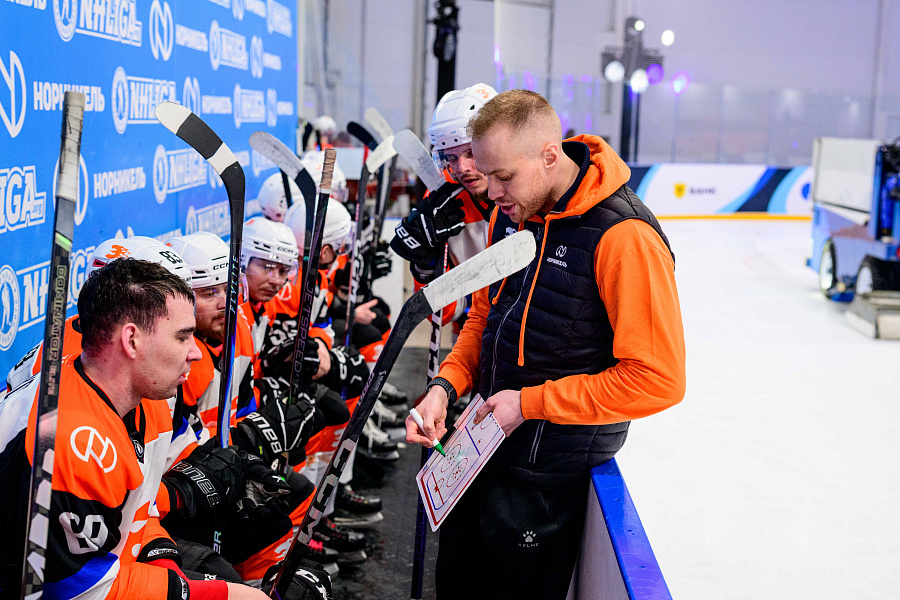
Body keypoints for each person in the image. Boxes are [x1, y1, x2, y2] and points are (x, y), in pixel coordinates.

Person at [406, 89, 686, 600]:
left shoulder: (625, 237)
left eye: (504, 176)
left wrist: (529, 404)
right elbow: (485, 317)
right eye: (485, 175)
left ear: (549, 155)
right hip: (481, 453)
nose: (491, 192)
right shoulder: (511, 212)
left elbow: (657, 380)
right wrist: (446, 386)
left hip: (546, 482)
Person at [0, 259, 329, 600]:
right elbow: (79, 592)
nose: (196, 353)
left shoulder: (149, 399)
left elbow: (138, 516)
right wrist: (228, 595)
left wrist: (168, 564)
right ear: (132, 340)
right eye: (182, 337)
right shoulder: (70, 440)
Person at [390, 83, 498, 329]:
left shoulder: (533, 192)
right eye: (451, 158)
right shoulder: (445, 200)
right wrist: (426, 266)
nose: (462, 169)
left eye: (471, 153)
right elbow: (443, 314)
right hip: (475, 330)